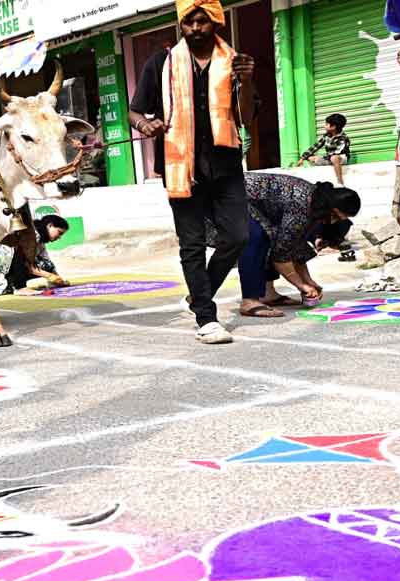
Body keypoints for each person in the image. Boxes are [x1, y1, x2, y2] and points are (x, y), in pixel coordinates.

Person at [129, 0, 256, 345]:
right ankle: (205, 316)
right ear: (181, 26)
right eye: (189, 22)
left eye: (202, 21)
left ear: (216, 23)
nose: (196, 28)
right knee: (193, 244)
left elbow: (246, 117)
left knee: (238, 236)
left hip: (225, 165)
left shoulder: (234, 62)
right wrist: (146, 123)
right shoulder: (161, 63)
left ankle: (199, 294)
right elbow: (135, 110)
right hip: (179, 164)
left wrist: (246, 82)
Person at [237, 173, 360, 311]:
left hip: (252, 201)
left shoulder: (316, 205)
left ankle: (267, 294)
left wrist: (308, 281)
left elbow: (294, 246)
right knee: (257, 237)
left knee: (274, 237)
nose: (332, 221)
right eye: (334, 216)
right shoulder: (302, 207)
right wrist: (301, 285)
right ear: (331, 208)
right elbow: (281, 257)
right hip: (232, 194)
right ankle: (249, 300)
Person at [298, 113, 351, 188]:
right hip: (329, 158)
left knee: (334, 158)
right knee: (310, 158)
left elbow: (337, 152)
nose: (324, 126)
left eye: (326, 124)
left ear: (333, 127)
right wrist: (303, 158)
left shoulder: (343, 138)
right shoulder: (326, 135)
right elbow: (316, 146)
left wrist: (324, 158)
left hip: (341, 157)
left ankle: (340, 182)